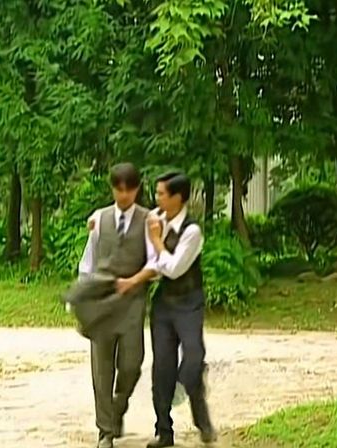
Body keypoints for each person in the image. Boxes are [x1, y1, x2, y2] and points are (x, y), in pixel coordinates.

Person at [78, 162, 157, 448]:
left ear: (136, 189)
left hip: (132, 302)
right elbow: (88, 261)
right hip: (101, 300)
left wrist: (134, 281)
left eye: (129, 189)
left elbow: (156, 263)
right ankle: (105, 431)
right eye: (119, 189)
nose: (124, 195)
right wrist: (83, 294)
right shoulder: (100, 219)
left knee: (131, 363)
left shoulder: (149, 220)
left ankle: (118, 406)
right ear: (112, 189)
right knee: (101, 367)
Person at [145, 171, 217, 448]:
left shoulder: (192, 231)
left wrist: (157, 242)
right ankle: (164, 431)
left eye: (161, 193)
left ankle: (202, 420)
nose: (157, 198)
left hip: (189, 302)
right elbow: (153, 266)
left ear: (178, 197)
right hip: (164, 304)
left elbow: (174, 269)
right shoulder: (155, 220)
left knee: (192, 360)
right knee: (162, 368)